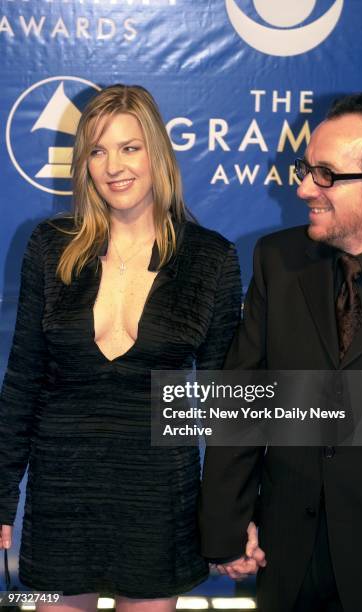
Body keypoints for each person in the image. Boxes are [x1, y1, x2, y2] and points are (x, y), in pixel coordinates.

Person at [0, 84, 242, 612]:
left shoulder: (211, 258)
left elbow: (226, 402)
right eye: (97, 150)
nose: (114, 166)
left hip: (159, 500)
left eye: (129, 147)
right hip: (59, 500)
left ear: (156, 151)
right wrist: (2, 497)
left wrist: (234, 514)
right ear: (83, 162)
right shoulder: (49, 244)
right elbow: (21, 383)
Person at [199, 92, 362, 612]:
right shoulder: (278, 259)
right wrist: (227, 523)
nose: (303, 186)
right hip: (288, 556)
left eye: (326, 175)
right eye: (304, 168)